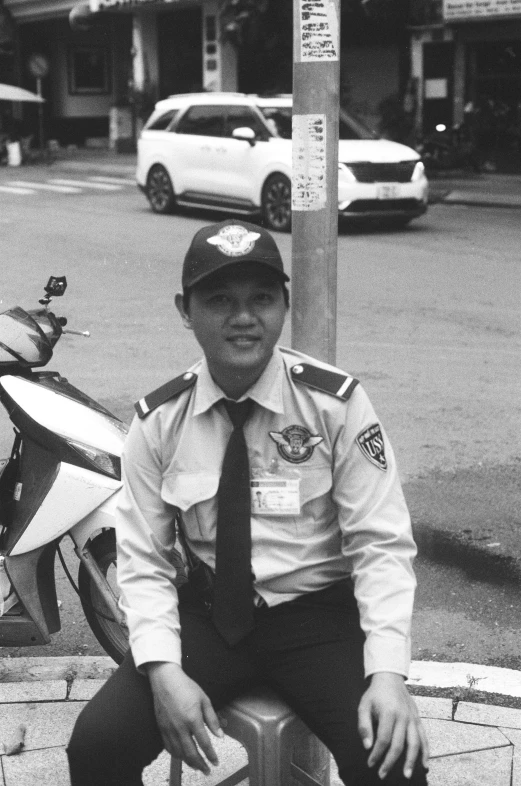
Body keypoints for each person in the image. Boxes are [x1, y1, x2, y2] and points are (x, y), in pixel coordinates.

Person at [67, 219, 429, 786]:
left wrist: (388, 676)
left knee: (393, 763)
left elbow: (380, 545)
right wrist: (163, 672)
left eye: (262, 298)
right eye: (220, 300)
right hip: (211, 621)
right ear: (184, 310)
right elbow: (143, 562)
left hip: (319, 619)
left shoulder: (335, 406)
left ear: (284, 305)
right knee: (96, 746)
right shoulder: (158, 422)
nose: (243, 317)